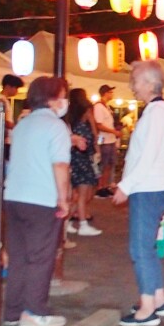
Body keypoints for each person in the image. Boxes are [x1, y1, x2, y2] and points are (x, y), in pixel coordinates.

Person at [113, 61, 164, 326]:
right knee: (148, 246)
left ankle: (146, 309)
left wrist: (126, 185)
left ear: (149, 83)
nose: (133, 86)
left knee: (140, 248)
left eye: (135, 81)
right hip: (160, 185)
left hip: (148, 187)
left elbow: (147, 155)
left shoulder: (155, 114)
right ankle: (158, 298)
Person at [3, 75, 71, 326]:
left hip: (14, 197)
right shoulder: (56, 127)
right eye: (62, 95)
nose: (65, 100)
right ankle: (34, 311)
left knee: (19, 257)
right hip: (42, 199)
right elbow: (60, 165)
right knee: (41, 257)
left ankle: (13, 311)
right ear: (53, 98)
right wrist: (63, 200)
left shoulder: (22, 124)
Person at [65, 88, 102, 238]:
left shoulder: (69, 115)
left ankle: (67, 221)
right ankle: (82, 223)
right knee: (83, 192)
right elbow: (94, 132)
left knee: (76, 193)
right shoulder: (85, 112)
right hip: (84, 157)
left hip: (73, 157)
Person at [93, 85, 120, 197]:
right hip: (104, 140)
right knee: (103, 163)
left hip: (110, 139)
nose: (112, 94)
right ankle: (100, 187)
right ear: (105, 93)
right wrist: (113, 131)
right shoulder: (99, 107)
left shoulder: (106, 107)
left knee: (109, 164)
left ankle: (105, 185)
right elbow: (99, 125)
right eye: (110, 92)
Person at [0, 74, 24, 161]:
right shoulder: (1, 100)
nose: (17, 91)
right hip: (3, 140)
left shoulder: (3, 100)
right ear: (8, 86)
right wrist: (14, 126)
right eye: (16, 88)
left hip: (4, 139)